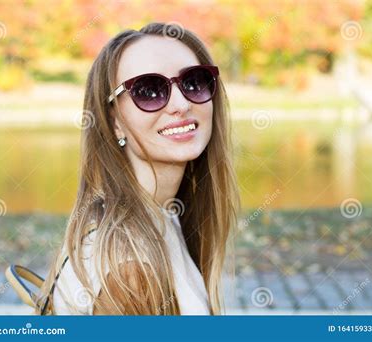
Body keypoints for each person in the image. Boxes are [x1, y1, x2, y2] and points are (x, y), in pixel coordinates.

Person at [36, 22, 240, 315]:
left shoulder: (161, 216)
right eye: (149, 90)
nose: (181, 104)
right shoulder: (130, 269)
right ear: (114, 120)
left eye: (194, 81)